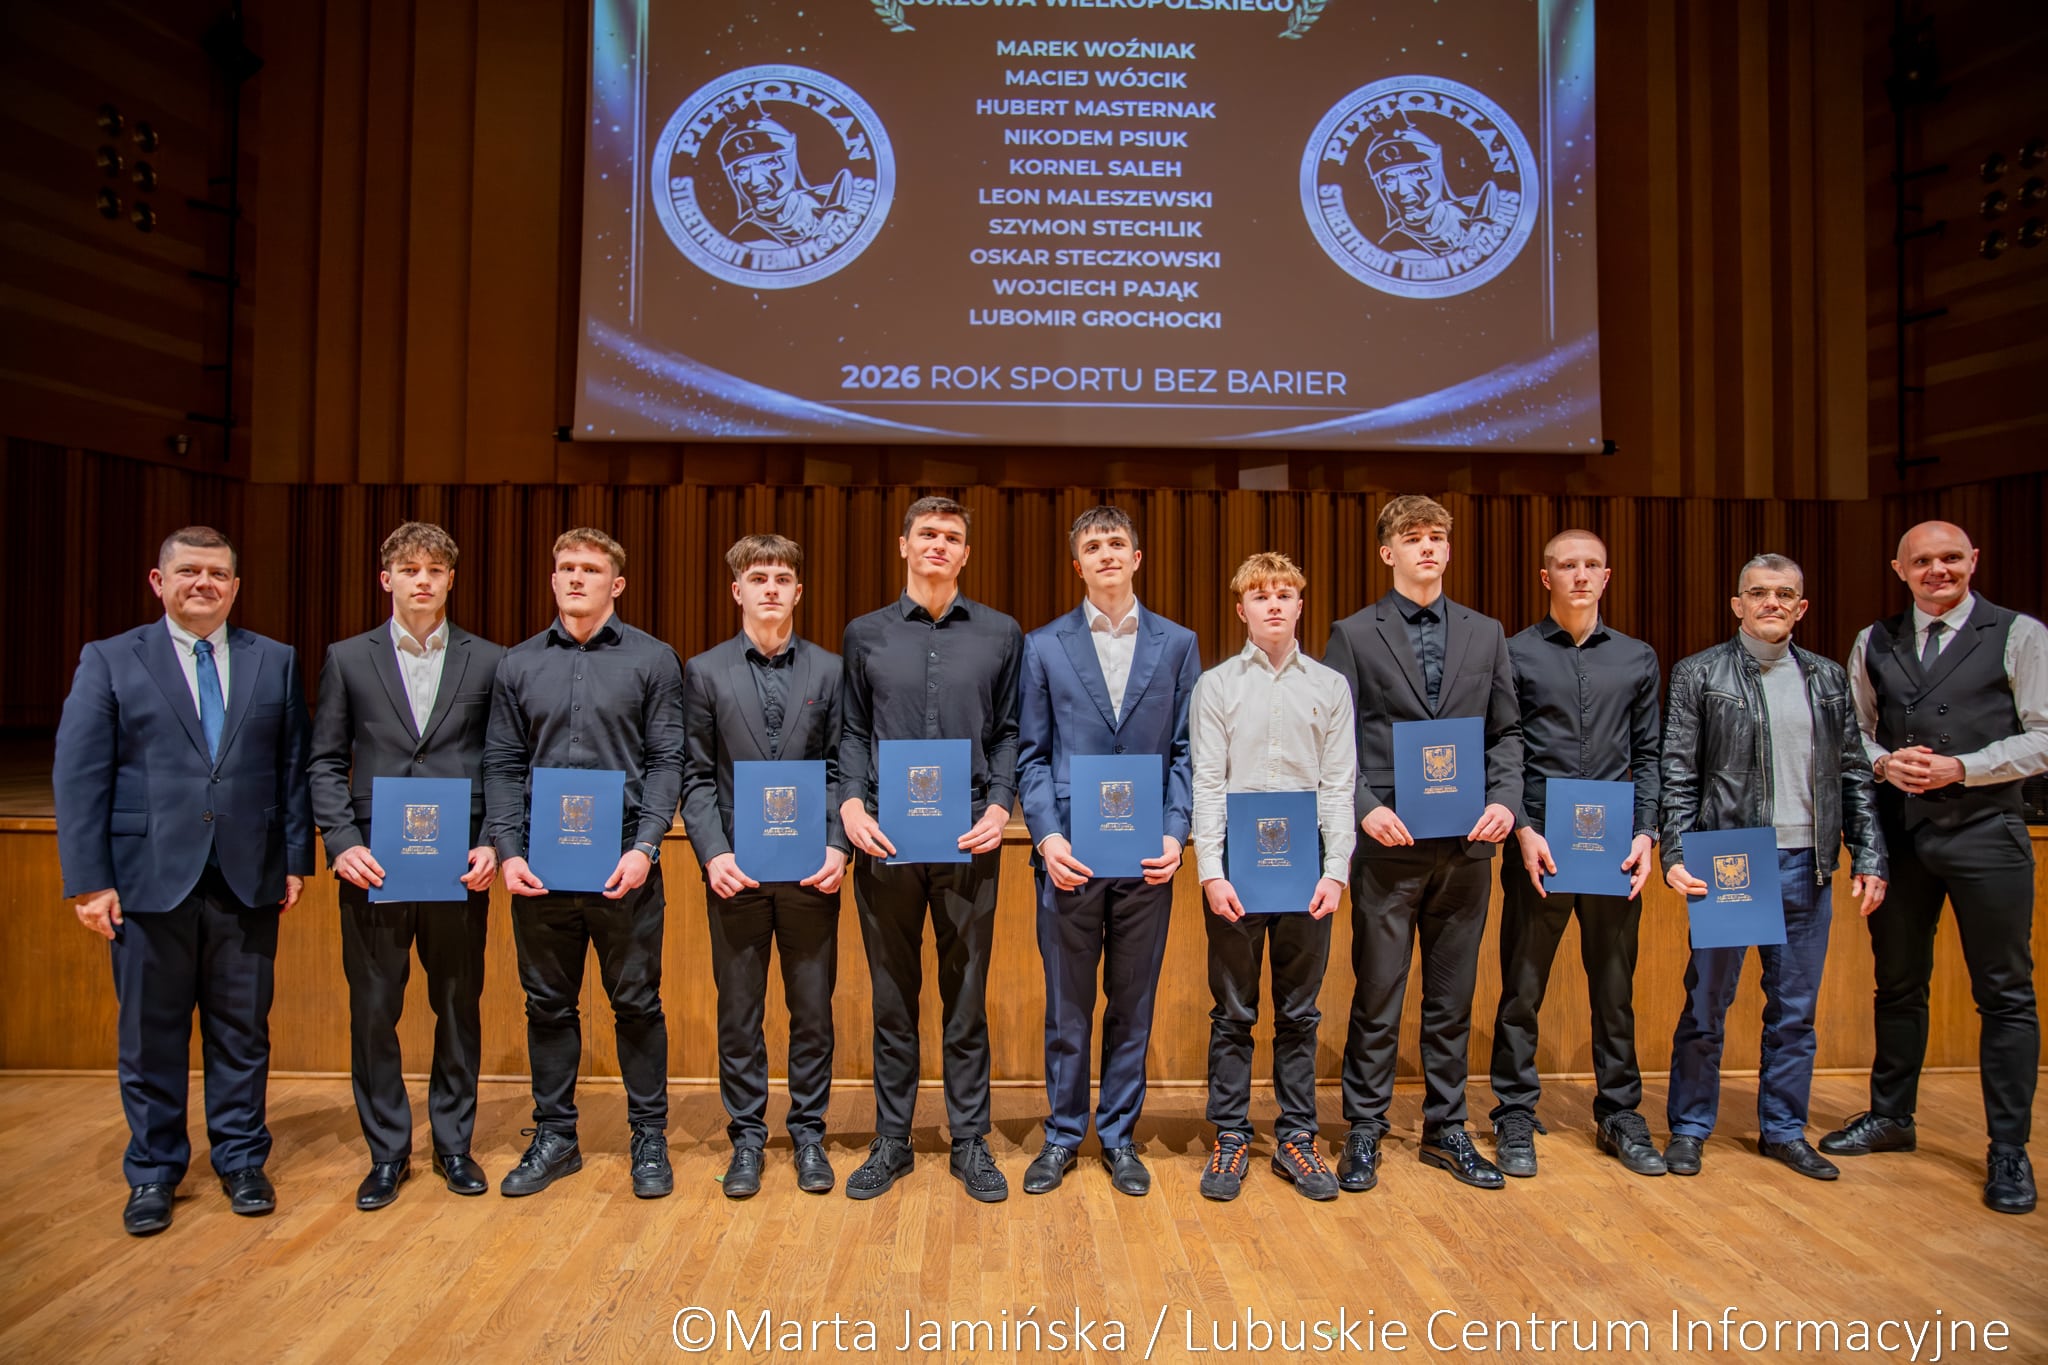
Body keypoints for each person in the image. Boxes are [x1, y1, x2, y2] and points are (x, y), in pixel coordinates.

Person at [54, 526, 313, 1236]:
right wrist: (89, 880)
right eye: (189, 571)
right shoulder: (110, 659)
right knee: (150, 1034)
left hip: (246, 875)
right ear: (158, 581)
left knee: (242, 1031)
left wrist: (294, 858)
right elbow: (78, 778)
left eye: (218, 573)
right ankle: (154, 1171)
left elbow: (291, 766)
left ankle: (239, 1159)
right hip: (145, 880)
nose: (204, 583)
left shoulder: (275, 660)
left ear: (235, 584)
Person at [1824, 521, 2044, 1215]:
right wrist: (1885, 761)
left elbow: (2044, 733)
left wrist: (1964, 767)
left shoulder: (2020, 634)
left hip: (1989, 830)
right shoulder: (1874, 640)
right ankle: (1892, 1114)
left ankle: (2008, 1148)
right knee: (1898, 984)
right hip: (1902, 835)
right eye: (1924, 560)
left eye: (1951, 558)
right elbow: (1851, 731)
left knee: (2004, 993)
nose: (1938, 570)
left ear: (1973, 561)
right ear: (1900, 568)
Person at [1661, 554, 1887, 1180]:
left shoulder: (1826, 679)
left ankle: (1784, 1129)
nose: (1771, 603)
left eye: (1784, 594)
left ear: (1801, 607)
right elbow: (1677, 771)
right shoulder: (1698, 675)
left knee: (1794, 1011)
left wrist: (1870, 851)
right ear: (1737, 604)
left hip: (1807, 863)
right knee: (1707, 1006)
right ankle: (1689, 1126)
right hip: (1732, 856)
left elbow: (1853, 773)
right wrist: (1675, 851)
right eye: (1758, 593)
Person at [1323, 494, 1522, 1193]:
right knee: (1378, 994)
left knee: (1452, 998)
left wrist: (1504, 799)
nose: (1428, 548)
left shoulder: (1486, 631)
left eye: (1437, 537)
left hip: (1467, 846)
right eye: (1413, 538)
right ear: (1388, 553)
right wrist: (1364, 808)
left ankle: (1446, 1129)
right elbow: (1333, 741)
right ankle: (1366, 1130)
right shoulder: (1352, 633)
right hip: (1390, 842)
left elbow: (1506, 734)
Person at [482, 529, 684, 1200]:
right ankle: (555, 1137)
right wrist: (509, 851)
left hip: (624, 866)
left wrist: (645, 845)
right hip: (539, 869)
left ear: (615, 584)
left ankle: (649, 1138)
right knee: (547, 1005)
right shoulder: (516, 664)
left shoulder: (654, 660)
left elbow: (667, 762)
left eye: (590, 569)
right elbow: (503, 766)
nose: (575, 578)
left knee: (636, 1004)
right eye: (564, 566)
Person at [307, 522, 504, 1210]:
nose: (422, 580)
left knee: (457, 1007)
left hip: (459, 867)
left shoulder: (489, 660)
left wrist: (493, 840)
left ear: (452, 579)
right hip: (376, 864)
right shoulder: (347, 659)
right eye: (409, 569)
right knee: (373, 1010)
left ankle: (453, 1143)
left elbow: (501, 763)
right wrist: (341, 840)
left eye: (435, 570)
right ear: (385, 577)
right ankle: (388, 1151)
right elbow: (326, 761)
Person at [837, 496, 1024, 1202]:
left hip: (969, 836)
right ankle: (893, 1137)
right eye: (927, 535)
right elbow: (852, 730)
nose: (939, 545)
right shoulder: (865, 634)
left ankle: (970, 1138)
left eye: (951, 537)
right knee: (892, 996)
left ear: (965, 553)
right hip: (884, 835)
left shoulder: (1001, 633)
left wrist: (1001, 806)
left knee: (966, 996)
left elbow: (1009, 731)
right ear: (904, 545)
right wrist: (851, 803)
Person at [1016, 506, 1201, 1198]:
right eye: (1092, 546)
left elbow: (1186, 752)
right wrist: (1046, 834)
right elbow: (1031, 757)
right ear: (1077, 564)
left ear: (1137, 555)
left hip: (1147, 856)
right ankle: (1064, 1134)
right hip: (1070, 855)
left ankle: (1119, 1134)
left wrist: (1174, 829)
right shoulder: (1043, 646)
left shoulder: (1179, 645)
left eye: (1116, 542)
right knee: (1067, 1005)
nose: (1106, 554)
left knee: (1132, 1002)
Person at [1488, 530, 1666, 1178]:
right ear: (1546, 577)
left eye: (1592, 564)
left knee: (1615, 990)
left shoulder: (1638, 658)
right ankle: (1512, 1110)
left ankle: (1620, 1111)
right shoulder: (1516, 654)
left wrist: (1647, 833)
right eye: (1568, 566)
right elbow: (1505, 746)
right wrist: (1523, 829)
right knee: (1522, 986)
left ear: (1607, 574)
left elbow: (1649, 753)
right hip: (1540, 844)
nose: (1581, 575)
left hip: (1615, 847)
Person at [680, 534, 850, 1199]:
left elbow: (845, 770)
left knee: (811, 1011)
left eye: (783, 577)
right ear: (738, 590)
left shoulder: (832, 672)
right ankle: (747, 1136)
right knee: (739, 1013)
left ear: (798, 591)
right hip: (737, 873)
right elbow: (694, 776)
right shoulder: (704, 671)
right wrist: (713, 852)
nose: (772, 587)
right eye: (759, 577)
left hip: (813, 872)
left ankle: (809, 1133)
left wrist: (839, 845)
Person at [1191, 552, 1355, 1202]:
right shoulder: (1217, 685)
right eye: (1262, 596)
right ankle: (1230, 1136)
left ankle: (1295, 1136)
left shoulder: (1330, 686)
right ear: (1242, 609)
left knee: (1300, 1013)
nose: (1275, 605)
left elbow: (1338, 786)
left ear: (1301, 604)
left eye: (1286, 594)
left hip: (1308, 872)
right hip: (1236, 871)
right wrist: (1209, 871)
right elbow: (1207, 780)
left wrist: (1337, 871)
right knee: (1232, 1012)